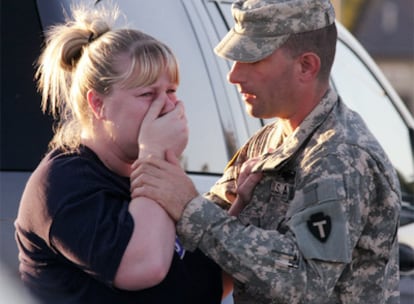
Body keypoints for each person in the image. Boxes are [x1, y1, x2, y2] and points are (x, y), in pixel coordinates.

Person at [130, 0, 401, 303]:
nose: (234, 75)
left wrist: (191, 207)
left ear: (306, 66)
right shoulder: (269, 142)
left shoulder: (341, 156)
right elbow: (196, 237)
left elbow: (304, 280)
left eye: (252, 60)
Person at [14, 3, 223, 303]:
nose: (167, 106)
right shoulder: (63, 183)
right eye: (147, 94)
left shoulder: (152, 177)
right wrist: (155, 154)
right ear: (98, 104)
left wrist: (238, 203)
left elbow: (208, 284)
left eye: (172, 90)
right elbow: (143, 266)